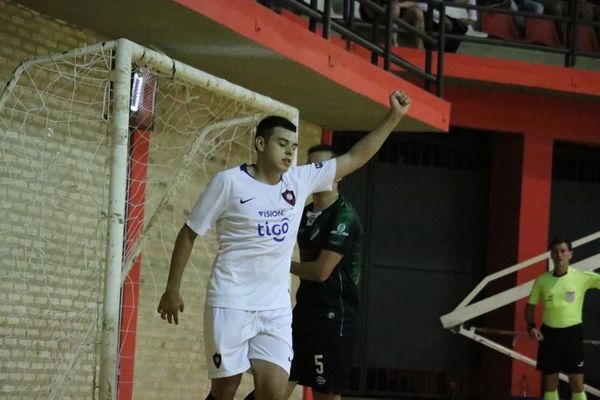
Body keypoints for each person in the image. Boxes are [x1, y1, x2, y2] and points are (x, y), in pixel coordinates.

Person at [157, 90, 411, 400]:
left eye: (293, 146)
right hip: (230, 301)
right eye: (282, 144)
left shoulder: (298, 181)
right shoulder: (228, 183)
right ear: (261, 144)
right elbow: (188, 233)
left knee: (274, 391)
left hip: (275, 309)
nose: (290, 152)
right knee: (225, 388)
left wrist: (394, 117)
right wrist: (172, 288)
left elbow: (355, 157)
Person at [525, 238, 600, 400]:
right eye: (555, 251)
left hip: (572, 334)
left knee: (577, 384)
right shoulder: (542, 280)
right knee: (550, 384)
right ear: (551, 255)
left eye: (563, 251)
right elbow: (529, 307)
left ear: (570, 254)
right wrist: (531, 326)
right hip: (549, 335)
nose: (559, 255)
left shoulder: (582, 277)